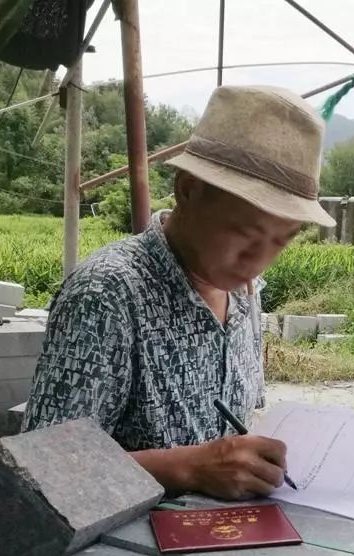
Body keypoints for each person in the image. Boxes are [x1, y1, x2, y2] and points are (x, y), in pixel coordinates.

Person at [22, 84, 336, 500]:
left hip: (221, 540)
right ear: (188, 190)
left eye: (283, 240)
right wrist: (189, 467)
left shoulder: (244, 292)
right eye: (245, 232)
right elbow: (44, 467)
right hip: (119, 554)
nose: (258, 259)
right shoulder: (107, 294)